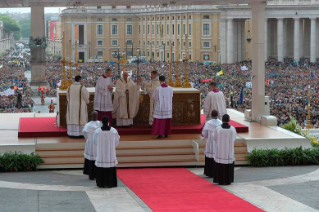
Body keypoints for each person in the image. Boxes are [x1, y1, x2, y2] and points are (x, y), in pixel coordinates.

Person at [93, 116, 120, 188]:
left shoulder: (97, 131)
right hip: (110, 154)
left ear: (102, 122)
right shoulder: (113, 131)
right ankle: (111, 183)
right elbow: (117, 141)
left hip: (101, 154)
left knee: (101, 167)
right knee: (110, 167)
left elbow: (95, 142)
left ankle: (101, 183)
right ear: (108, 122)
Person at [213, 114, 236, 185]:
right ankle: (228, 180)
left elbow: (215, 138)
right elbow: (234, 138)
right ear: (229, 120)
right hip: (229, 151)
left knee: (220, 164)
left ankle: (220, 180)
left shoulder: (218, 129)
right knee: (228, 164)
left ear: (222, 120)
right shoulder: (232, 129)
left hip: (221, 150)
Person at [201, 110, 222, 178]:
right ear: (217, 115)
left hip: (210, 143)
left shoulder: (208, 123)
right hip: (217, 143)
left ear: (211, 115)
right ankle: (217, 172)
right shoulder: (220, 123)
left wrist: (206, 137)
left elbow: (204, 133)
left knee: (210, 157)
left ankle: (209, 172)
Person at [83, 111, 102, 180]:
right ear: (97, 116)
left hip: (90, 143)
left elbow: (85, 134)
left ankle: (91, 175)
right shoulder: (100, 124)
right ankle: (97, 174)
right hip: (98, 144)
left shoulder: (88, 125)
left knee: (90, 159)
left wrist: (88, 139)